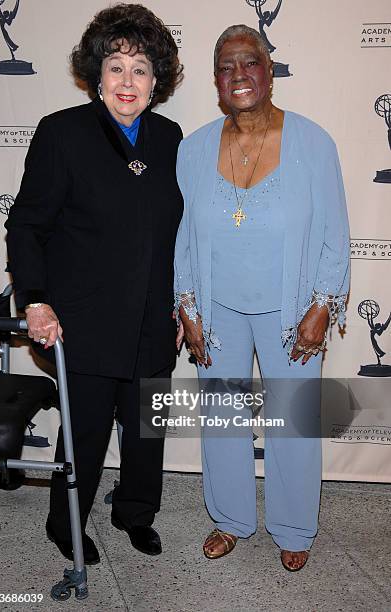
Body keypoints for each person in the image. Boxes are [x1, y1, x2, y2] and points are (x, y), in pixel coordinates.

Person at [5, 3, 183, 564]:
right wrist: (35, 301)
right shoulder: (63, 133)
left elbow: (183, 232)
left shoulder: (172, 139)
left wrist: (184, 305)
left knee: (146, 433)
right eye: (116, 66)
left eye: (140, 69)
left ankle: (135, 513)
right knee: (81, 435)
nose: (127, 81)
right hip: (83, 319)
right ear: (96, 74)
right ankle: (67, 524)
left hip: (154, 321)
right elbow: (26, 225)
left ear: (157, 81)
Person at [174, 24, 349, 571]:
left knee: (292, 421)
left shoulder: (313, 142)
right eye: (226, 67)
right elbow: (182, 235)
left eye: (249, 62)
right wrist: (189, 307)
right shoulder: (194, 148)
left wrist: (323, 304)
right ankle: (230, 519)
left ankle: (294, 525)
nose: (238, 75)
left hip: (291, 308)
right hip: (219, 309)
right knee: (223, 418)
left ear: (269, 71)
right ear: (216, 81)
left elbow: (335, 234)